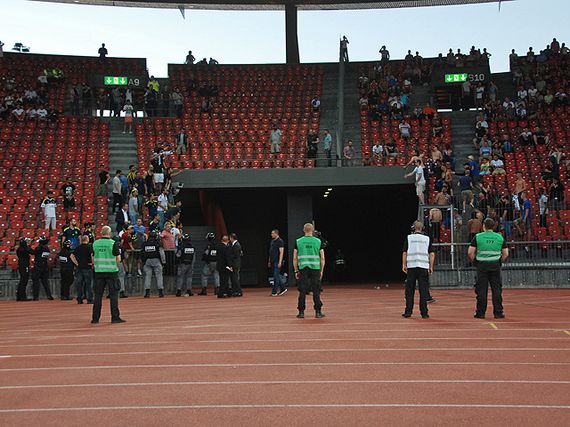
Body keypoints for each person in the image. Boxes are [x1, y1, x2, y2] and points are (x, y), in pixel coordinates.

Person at [468, 218, 508, 319]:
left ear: (483, 226)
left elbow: (470, 252)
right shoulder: (499, 237)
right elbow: (505, 253)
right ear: (493, 226)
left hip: (482, 265)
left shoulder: (478, 237)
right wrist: (499, 261)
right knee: (497, 290)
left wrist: (475, 261)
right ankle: (498, 312)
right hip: (495, 265)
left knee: (481, 290)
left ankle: (480, 313)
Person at [402, 221, 435, 319]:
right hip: (423, 267)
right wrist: (431, 266)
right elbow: (432, 254)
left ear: (413, 228)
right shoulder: (427, 239)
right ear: (422, 228)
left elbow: (405, 252)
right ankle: (424, 313)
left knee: (409, 291)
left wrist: (404, 264)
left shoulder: (409, 238)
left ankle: (408, 311)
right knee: (423, 290)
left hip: (411, 266)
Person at [91, 226, 125, 324]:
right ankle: (115, 317)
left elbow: (92, 258)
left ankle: (95, 318)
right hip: (111, 272)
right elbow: (118, 259)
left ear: (101, 233)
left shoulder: (95, 243)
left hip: (98, 272)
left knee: (98, 296)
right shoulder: (113, 243)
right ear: (109, 233)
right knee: (113, 295)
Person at [293, 223, 325, 319]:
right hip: (315, 268)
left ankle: (301, 312)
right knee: (316, 290)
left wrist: (296, 270)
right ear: (312, 230)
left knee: (302, 290)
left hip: (303, 268)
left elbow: (295, 258)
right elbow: (322, 258)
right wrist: (321, 270)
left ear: (304, 230)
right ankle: (318, 312)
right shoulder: (318, 241)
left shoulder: (298, 241)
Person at [71, 235, 94, 304]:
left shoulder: (78, 248)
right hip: (87, 267)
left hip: (79, 268)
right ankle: (89, 299)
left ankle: (79, 299)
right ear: (87, 240)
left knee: (79, 284)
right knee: (89, 284)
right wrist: (93, 263)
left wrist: (76, 263)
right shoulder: (89, 247)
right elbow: (92, 256)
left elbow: (71, 256)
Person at [143, 230, 166, 298]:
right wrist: (163, 262)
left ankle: (147, 293)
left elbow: (142, 253)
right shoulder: (158, 243)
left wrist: (143, 261)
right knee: (159, 276)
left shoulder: (145, 243)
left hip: (147, 261)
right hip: (156, 260)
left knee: (147, 277)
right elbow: (162, 253)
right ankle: (160, 292)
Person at [31, 236, 54, 301]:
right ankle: (49, 296)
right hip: (44, 266)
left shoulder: (38, 248)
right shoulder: (47, 248)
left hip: (38, 266)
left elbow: (33, 252)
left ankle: (36, 297)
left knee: (36, 282)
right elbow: (44, 257)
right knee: (45, 282)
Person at [268, 229, 286, 297]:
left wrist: (280, 262)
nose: (271, 235)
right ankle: (283, 288)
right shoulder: (272, 241)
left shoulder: (280, 241)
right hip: (272, 260)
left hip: (277, 261)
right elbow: (270, 251)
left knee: (276, 276)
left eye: (272, 233)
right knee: (277, 275)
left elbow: (281, 252)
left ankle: (274, 291)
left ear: (276, 233)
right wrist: (269, 261)